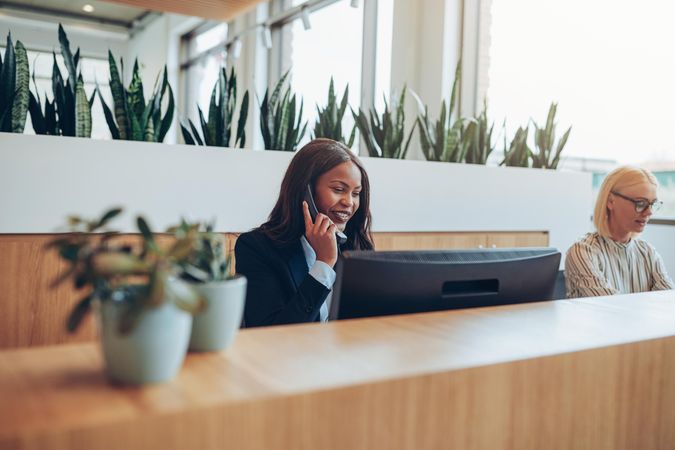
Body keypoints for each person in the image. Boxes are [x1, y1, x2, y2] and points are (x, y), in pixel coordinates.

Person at [235, 138, 375, 327]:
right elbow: (272, 333)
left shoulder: (355, 245)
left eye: (356, 193)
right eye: (338, 189)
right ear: (305, 191)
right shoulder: (256, 247)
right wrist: (324, 264)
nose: (349, 202)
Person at [565, 166, 674, 298]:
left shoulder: (648, 253)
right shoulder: (583, 251)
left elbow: (668, 301)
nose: (649, 212)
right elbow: (612, 308)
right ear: (611, 201)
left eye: (653, 204)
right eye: (640, 203)